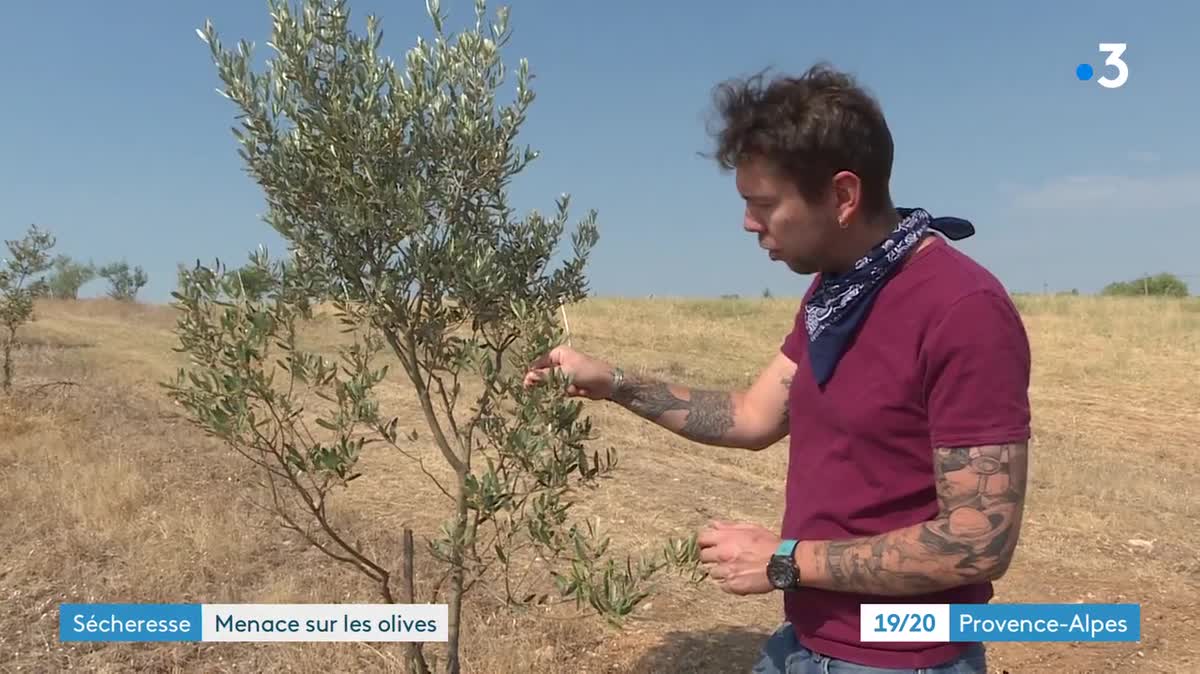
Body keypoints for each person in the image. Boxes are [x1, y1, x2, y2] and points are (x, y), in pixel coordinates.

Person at [522, 63, 1031, 674]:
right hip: (805, 645)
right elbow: (753, 414)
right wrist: (614, 383)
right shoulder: (837, 292)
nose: (748, 223)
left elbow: (978, 542)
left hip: (901, 660)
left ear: (843, 196)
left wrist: (782, 561)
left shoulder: (961, 310)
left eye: (764, 204)